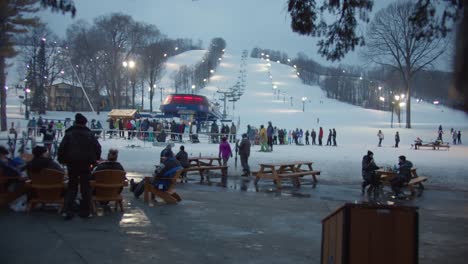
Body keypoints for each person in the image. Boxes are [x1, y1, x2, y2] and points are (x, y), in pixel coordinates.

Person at [58, 113, 102, 220]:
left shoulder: (69, 134)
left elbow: (62, 148)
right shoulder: (89, 134)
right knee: (85, 186)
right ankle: (85, 210)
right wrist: (95, 159)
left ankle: (68, 209)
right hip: (86, 163)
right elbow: (97, 147)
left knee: (72, 185)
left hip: (72, 162)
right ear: (85, 123)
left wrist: (62, 160)